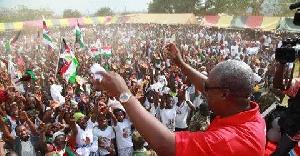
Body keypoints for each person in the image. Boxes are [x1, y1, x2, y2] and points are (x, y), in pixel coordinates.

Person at [92, 43, 266, 155]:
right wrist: (181, 64)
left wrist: (124, 94)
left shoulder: (229, 141)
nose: (204, 90)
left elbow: (165, 145)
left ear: (225, 94)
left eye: (208, 88)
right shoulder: (248, 112)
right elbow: (211, 87)